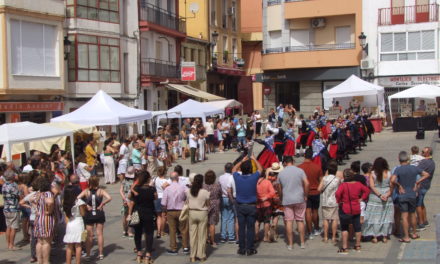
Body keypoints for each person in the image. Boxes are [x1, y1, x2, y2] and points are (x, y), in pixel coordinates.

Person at [392, 151, 430, 243]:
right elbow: (427, 174)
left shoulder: (398, 169)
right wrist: (417, 182)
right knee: (412, 214)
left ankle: (406, 236)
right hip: (412, 194)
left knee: (404, 216)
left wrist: (399, 185)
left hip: (402, 195)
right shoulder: (414, 168)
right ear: (408, 159)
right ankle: (414, 233)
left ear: (399, 159)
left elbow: (392, 180)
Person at [232, 155, 263, 256]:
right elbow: (260, 169)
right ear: (250, 170)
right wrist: (254, 159)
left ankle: (241, 248)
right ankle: (250, 248)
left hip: (240, 205)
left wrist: (241, 161)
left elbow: (233, 169)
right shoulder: (254, 178)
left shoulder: (237, 177)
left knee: (241, 228)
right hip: (251, 206)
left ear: (242, 169)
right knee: (250, 228)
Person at [277, 156, 309, 250]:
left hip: (287, 199)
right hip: (299, 198)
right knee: (300, 220)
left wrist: (281, 197)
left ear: (284, 163)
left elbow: (279, 187)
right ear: (293, 161)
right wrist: (305, 195)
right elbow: (307, 183)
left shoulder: (281, 173)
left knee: (289, 221)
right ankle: (302, 242)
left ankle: (290, 244)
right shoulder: (300, 171)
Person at [335, 169, 370, 254]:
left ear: (345, 176)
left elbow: (337, 194)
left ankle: (345, 248)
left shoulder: (343, 185)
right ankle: (357, 246)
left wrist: (339, 201)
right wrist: (361, 198)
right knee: (357, 227)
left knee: (344, 227)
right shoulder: (358, 184)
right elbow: (367, 191)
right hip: (356, 208)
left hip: (345, 208)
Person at [78, 176, 112, 261]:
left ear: (89, 182)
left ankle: (88, 254)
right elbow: (109, 198)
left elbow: (77, 198)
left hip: (89, 214)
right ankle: (100, 254)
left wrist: (86, 205)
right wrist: (102, 204)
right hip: (99, 213)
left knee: (89, 235)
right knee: (100, 234)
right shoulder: (101, 191)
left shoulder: (86, 191)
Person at [127, 171, 157, 264]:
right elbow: (155, 198)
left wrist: (129, 214)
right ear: (148, 179)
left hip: (136, 212)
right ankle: (148, 255)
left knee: (138, 233)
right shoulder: (152, 189)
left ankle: (139, 253)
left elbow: (131, 201)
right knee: (149, 233)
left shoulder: (136, 189)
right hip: (148, 212)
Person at [362, 157, 394, 243]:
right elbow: (391, 186)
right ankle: (384, 236)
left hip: (375, 197)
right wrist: (386, 195)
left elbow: (372, 186)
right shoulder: (389, 173)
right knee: (385, 217)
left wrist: (380, 195)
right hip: (387, 197)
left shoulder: (372, 173)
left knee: (375, 217)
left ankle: (375, 236)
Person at [161, 172, 189, 255]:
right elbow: (189, 195)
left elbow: (163, 203)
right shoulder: (183, 187)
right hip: (181, 210)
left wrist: (164, 211)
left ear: (170, 179)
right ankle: (185, 247)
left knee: (172, 230)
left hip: (170, 211)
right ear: (177, 178)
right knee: (183, 229)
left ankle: (173, 248)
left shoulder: (167, 189)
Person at [298, 148, 323, 239]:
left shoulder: (299, 167)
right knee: (315, 211)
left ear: (304, 155)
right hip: (315, 191)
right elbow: (321, 181)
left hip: (304, 192)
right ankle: (316, 228)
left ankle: (309, 231)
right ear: (312, 156)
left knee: (307, 211)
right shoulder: (317, 167)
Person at [317, 160, 342, 244]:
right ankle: (334, 237)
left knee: (325, 219)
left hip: (325, 201)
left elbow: (319, 189)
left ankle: (325, 237)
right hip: (334, 202)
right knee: (334, 219)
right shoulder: (337, 179)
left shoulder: (324, 178)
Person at [186, 174, 210, 262]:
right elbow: (208, 203)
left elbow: (187, 202)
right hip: (202, 213)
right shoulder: (205, 192)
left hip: (192, 212)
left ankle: (192, 255)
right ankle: (201, 255)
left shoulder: (188, 191)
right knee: (202, 235)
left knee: (192, 235)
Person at [33, 176, 56, 264]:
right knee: (46, 242)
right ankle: (46, 261)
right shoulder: (48, 194)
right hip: (46, 219)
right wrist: (49, 210)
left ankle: (40, 261)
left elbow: (31, 200)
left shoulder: (38, 194)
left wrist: (36, 209)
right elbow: (50, 202)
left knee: (39, 241)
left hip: (38, 219)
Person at [63, 185, 86, 264]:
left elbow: (66, 215)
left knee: (69, 246)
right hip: (78, 223)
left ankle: (68, 262)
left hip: (70, 223)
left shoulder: (65, 202)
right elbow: (83, 214)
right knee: (78, 245)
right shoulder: (79, 202)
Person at [416, 147, 435, 230]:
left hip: (421, 185)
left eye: (423, 152)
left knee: (418, 204)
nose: (421, 153)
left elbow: (416, 170)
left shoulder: (424, 162)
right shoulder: (432, 162)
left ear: (428, 153)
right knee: (422, 202)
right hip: (427, 185)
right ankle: (425, 220)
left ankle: (420, 223)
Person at [255, 168, 276, 242]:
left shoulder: (255, 182)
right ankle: (265, 237)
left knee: (257, 221)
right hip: (267, 204)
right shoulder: (267, 182)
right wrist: (266, 197)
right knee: (266, 221)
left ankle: (256, 236)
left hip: (257, 204)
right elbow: (273, 192)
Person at [202, 170, 222, 247]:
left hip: (205, 205)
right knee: (212, 224)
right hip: (215, 205)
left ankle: (206, 238)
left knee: (206, 223)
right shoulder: (217, 185)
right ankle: (212, 241)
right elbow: (220, 193)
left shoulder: (203, 186)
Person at [2, 170, 20, 250]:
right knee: (13, 227)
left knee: (8, 226)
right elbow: (18, 195)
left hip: (6, 208)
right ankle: (12, 245)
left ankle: (8, 244)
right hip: (13, 208)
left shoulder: (4, 185)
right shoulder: (14, 185)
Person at [218, 163, 236, 244]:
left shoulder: (220, 177)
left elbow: (219, 187)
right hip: (230, 197)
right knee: (231, 217)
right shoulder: (232, 177)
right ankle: (231, 236)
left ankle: (223, 236)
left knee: (223, 217)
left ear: (225, 169)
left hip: (222, 197)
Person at [153, 167, 170, 238]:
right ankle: (163, 231)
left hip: (157, 198)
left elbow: (150, 185)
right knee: (164, 216)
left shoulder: (155, 179)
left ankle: (158, 232)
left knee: (158, 216)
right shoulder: (167, 180)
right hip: (164, 198)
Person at [119, 166, 135, 238]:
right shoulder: (134, 182)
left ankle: (124, 230)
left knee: (125, 215)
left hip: (124, 198)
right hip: (131, 199)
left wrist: (124, 198)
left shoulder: (124, 180)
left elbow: (121, 190)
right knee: (130, 214)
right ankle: (130, 230)